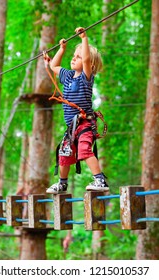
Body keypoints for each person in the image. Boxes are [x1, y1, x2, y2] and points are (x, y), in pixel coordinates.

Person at [44, 27, 109, 194]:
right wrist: (62, 50)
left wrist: (84, 39)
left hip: (84, 123)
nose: (74, 58)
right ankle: (62, 183)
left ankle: (100, 180)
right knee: (64, 153)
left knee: (84, 150)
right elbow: (54, 65)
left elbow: (87, 60)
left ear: (90, 65)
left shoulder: (86, 78)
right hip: (71, 127)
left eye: (78, 57)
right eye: (74, 56)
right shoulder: (67, 76)